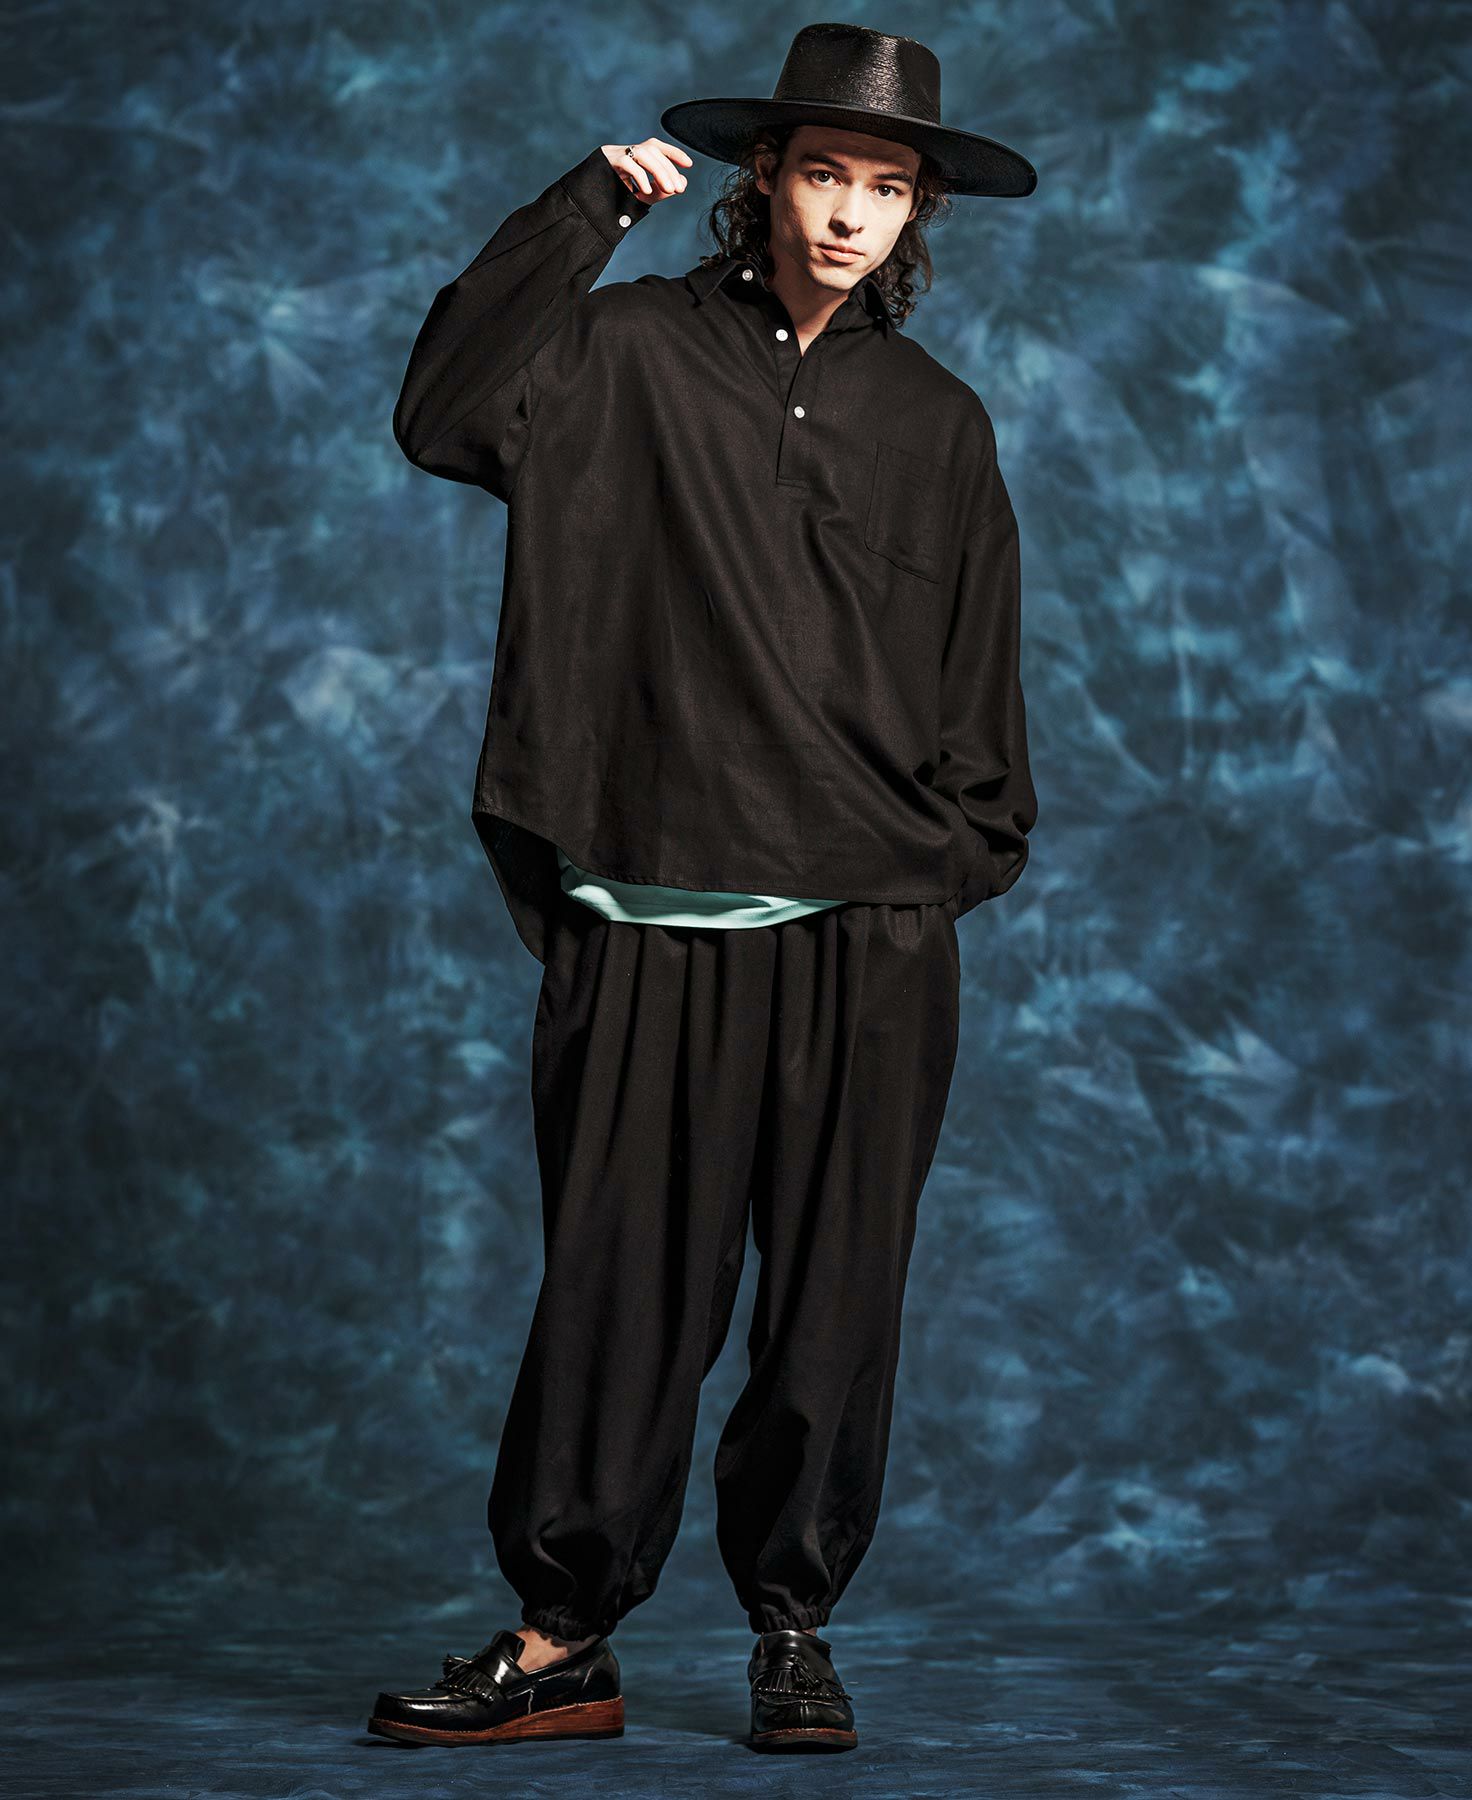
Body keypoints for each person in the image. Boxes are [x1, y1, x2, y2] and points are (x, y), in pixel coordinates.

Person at [366, 19, 1038, 1755]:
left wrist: (935, 871)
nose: (851, 213)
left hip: (865, 937)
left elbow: (979, 698)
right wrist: (584, 210)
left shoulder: (939, 423)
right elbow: (442, 410)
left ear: (916, 212)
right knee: (618, 1296)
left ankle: (793, 1627)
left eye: (887, 187)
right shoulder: (627, 351)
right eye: (824, 174)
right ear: (765, 179)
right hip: (648, 914)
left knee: (832, 1309)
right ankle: (562, 1637)